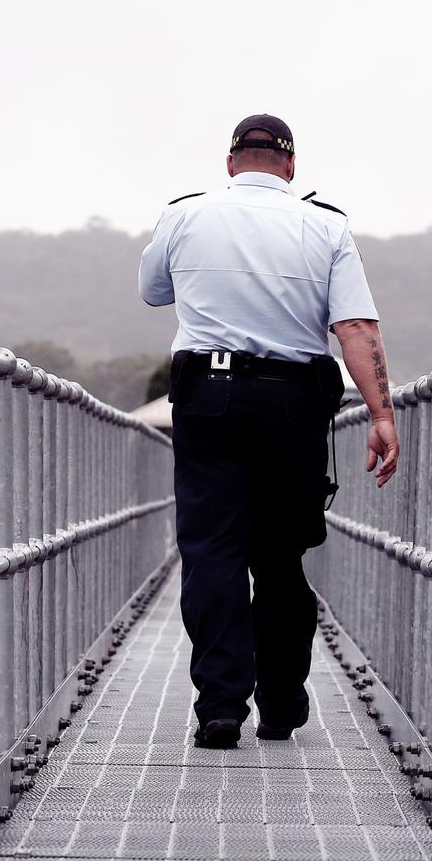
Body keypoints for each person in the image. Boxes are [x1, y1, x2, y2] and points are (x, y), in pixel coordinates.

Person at [138, 114, 399, 749]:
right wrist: (383, 415)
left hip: (208, 397)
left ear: (231, 162)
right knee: (280, 556)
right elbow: (355, 330)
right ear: (290, 165)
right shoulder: (328, 225)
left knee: (212, 552)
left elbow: (153, 292)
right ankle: (281, 703)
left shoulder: (184, 215)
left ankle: (220, 707)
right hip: (292, 404)